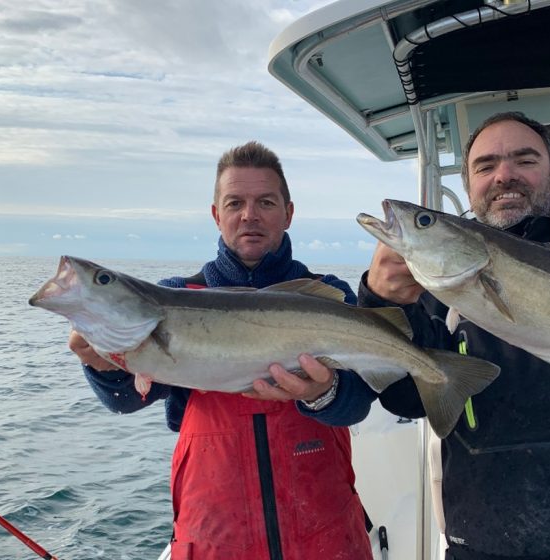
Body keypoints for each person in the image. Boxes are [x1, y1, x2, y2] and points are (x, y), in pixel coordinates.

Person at [299, 112, 550, 560]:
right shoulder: (439, 291)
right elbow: (408, 400)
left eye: (524, 160)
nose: (504, 175)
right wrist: (385, 304)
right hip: (484, 548)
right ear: (471, 187)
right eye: (485, 165)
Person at [68, 141, 373, 560]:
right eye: (235, 203)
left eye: (265, 201)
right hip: (216, 535)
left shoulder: (327, 296)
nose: (250, 215)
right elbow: (126, 399)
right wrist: (103, 363)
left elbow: (357, 405)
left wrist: (322, 393)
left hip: (325, 529)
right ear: (217, 214)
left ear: (288, 213)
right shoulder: (174, 298)